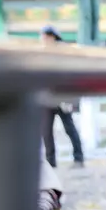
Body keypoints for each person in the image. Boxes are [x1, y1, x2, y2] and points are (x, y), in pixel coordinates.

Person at [40, 26, 85, 169]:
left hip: (63, 97)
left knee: (69, 128)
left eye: (45, 37)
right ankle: (50, 161)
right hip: (48, 97)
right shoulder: (43, 52)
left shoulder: (64, 51)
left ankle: (79, 158)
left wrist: (71, 98)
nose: (43, 40)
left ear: (52, 37)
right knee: (46, 131)